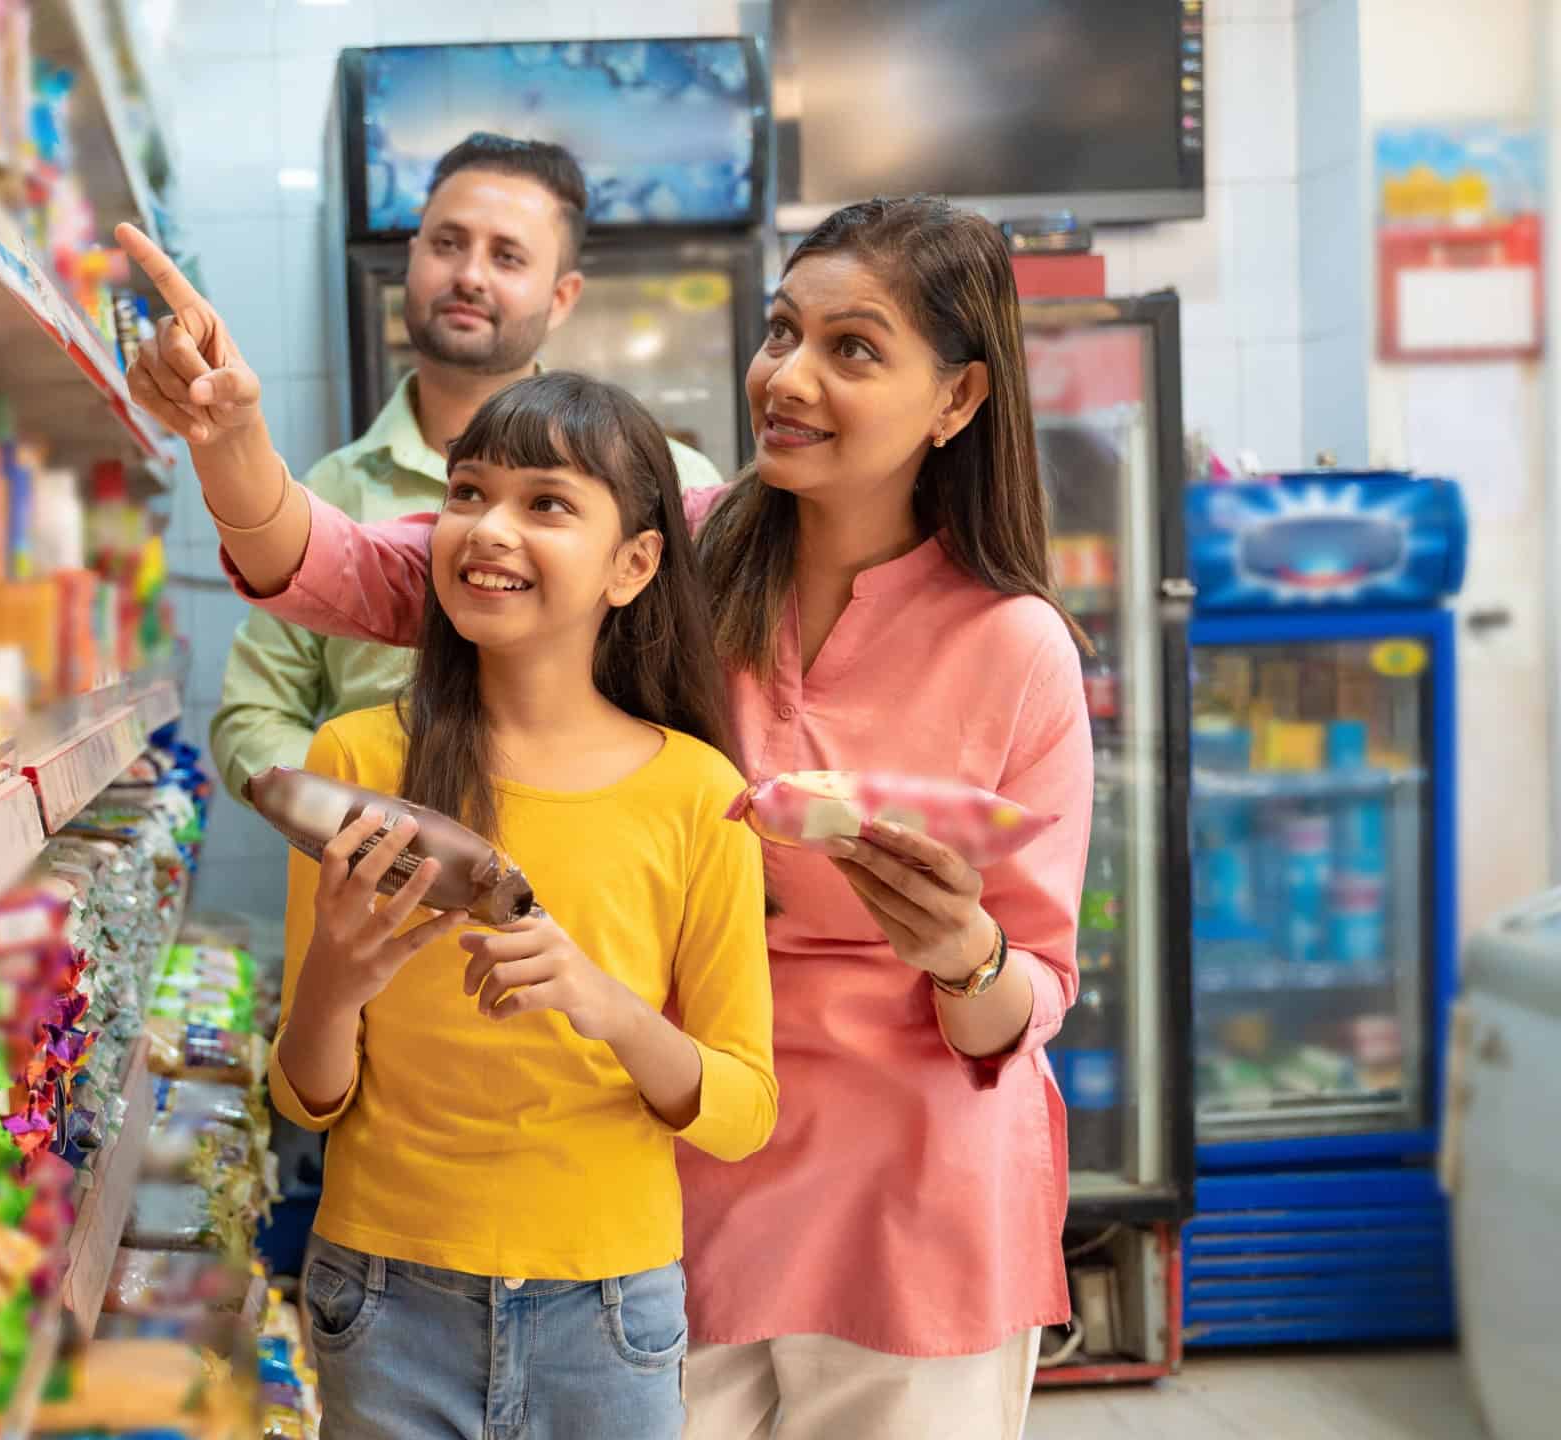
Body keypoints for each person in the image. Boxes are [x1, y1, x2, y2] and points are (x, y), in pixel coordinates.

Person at [117, 196, 1094, 1439]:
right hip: (670, 1179)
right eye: (782, 330)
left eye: (852, 349)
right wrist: (231, 437)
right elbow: (371, 568)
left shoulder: (1018, 652)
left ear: (956, 400)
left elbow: (1031, 989)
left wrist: (966, 956)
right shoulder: (685, 549)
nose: (787, 377)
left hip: (916, 1195)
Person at [264, 372, 776, 1439]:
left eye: (546, 503)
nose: (488, 528)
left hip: (610, 1314)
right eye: (466, 493)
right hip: (382, 1294)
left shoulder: (697, 793)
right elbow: (306, 1098)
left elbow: (741, 1107)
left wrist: (610, 1007)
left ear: (634, 563)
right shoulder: (358, 762)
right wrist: (332, 986)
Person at [209, 132, 721, 803]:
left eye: (507, 256)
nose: (470, 276)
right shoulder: (332, 491)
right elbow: (253, 714)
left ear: (562, 296)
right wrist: (363, 818)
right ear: (412, 256)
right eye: (447, 244)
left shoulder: (671, 484)